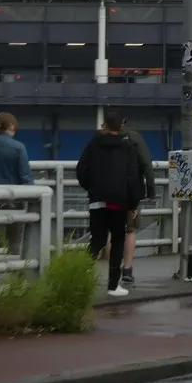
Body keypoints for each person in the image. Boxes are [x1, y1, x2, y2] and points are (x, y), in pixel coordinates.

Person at [76, 110, 144, 297]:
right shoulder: (128, 147)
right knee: (118, 239)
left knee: (97, 239)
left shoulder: (93, 144)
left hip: (97, 199)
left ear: (105, 125)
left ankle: (80, 277)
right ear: (121, 126)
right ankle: (113, 285)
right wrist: (132, 204)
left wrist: (91, 188)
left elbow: (81, 170)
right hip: (119, 201)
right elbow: (133, 177)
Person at [0, 112, 34, 258]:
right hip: (12, 202)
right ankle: (16, 275)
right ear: (11, 126)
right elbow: (25, 177)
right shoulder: (18, 147)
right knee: (15, 241)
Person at [113, 117, 155, 285]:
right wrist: (150, 189)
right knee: (130, 230)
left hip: (108, 192)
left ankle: (113, 270)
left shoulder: (101, 139)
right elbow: (146, 164)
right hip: (130, 192)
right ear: (124, 122)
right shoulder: (134, 138)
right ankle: (127, 269)